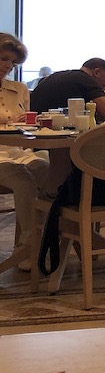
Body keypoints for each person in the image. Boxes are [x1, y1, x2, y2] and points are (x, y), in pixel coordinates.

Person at [0, 33, 49, 271]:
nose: (8, 66)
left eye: (12, 62)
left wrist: (27, 123)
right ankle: (28, 246)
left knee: (51, 172)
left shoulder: (19, 88)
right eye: (4, 59)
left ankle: (53, 236)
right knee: (24, 180)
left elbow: (27, 124)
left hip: (18, 150)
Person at [31, 57, 105, 122]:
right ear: (97, 72)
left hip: (35, 127)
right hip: (58, 133)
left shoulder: (59, 76)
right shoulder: (87, 80)